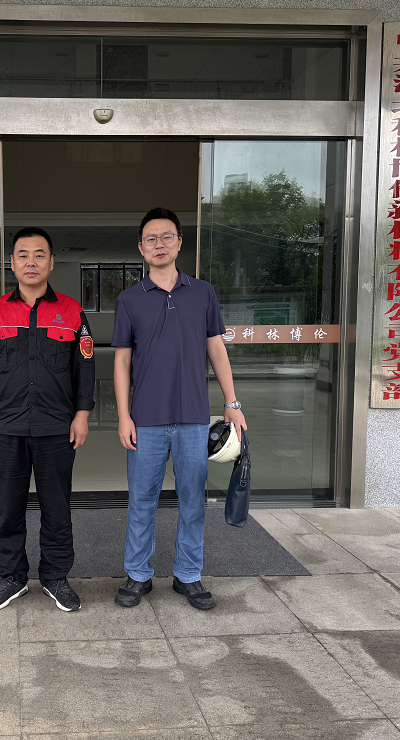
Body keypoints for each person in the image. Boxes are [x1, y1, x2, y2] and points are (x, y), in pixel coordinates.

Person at [112, 207, 247, 611]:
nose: (159, 244)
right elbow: (121, 361)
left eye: (166, 236)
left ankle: (188, 574)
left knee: (192, 500)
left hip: (193, 418)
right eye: (151, 238)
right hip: (146, 419)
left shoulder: (202, 293)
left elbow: (216, 349)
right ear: (141, 248)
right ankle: (138, 574)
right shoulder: (129, 300)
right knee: (142, 501)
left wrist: (232, 403)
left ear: (179, 243)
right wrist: (123, 416)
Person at [0, 227, 95, 612]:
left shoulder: (72, 311)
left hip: (57, 428)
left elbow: (85, 370)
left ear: (51, 262)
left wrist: (82, 416)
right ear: (11, 263)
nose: (31, 262)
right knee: (8, 508)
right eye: (23, 255)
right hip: (7, 428)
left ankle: (56, 577)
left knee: (56, 508)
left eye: (39, 254)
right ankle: (12, 577)